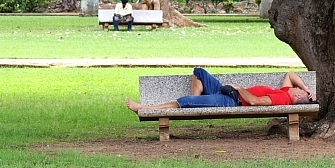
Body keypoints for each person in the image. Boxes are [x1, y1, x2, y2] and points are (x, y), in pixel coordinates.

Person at [125, 67, 315, 111]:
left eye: (299, 91)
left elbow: (256, 102)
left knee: (184, 101)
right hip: (227, 91)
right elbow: (290, 74)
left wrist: (240, 88)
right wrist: (307, 88)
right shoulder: (285, 91)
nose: (296, 88)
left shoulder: (284, 99)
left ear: (296, 96)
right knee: (199, 72)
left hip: (232, 100)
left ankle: (146, 108)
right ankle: (197, 101)